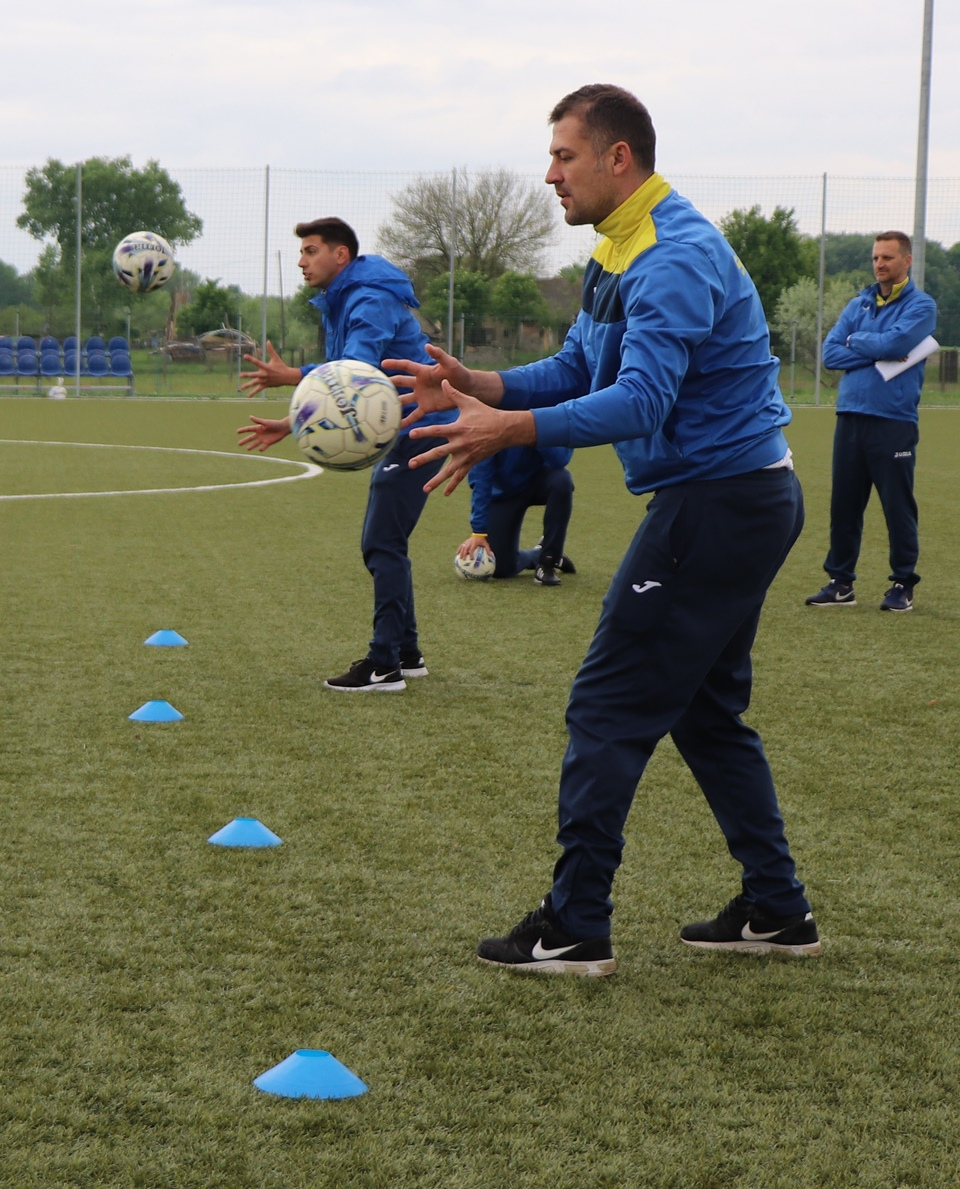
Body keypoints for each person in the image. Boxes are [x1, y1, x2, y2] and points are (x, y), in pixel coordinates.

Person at [388, 84, 819, 976]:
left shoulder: (671, 255)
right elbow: (581, 365)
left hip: (721, 503)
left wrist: (510, 430)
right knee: (706, 713)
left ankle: (576, 923)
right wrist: (478, 385)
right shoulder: (618, 246)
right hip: (737, 499)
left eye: (564, 156)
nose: (550, 175)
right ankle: (778, 908)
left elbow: (641, 400)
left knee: (606, 705)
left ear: (618, 158)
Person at [237, 217, 455, 691]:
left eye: (310, 250)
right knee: (388, 541)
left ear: (341, 255)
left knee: (381, 542)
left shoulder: (368, 297)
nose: (301, 261)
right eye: (301, 252)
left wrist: (293, 376)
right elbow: (342, 386)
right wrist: (293, 421)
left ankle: (384, 665)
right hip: (406, 425)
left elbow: (356, 369)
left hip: (420, 425)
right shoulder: (345, 296)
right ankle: (406, 653)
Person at [805, 232, 937, 613]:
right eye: (876, 257)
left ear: (907, 261)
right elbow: (831, 354)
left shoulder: (922, 306)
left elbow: (895, 346)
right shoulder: (858, 303)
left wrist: (857, 341)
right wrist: (876, 347)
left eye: (888, 258)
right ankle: (840, 583)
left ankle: (903, 583)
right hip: (850, 417)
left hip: (893, 420)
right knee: (844, 506)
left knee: (897, 506)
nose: (879, 264)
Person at [457, 445, 576, 584]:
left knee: (562, 480)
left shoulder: (546, 428)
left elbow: (560, 460)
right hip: (504, 494)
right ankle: (539, 554)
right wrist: (478, 532)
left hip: (539, 482)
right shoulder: (487, 430)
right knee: (501, 568)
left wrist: (537, 435)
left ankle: (549, 560)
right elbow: (481, 479)